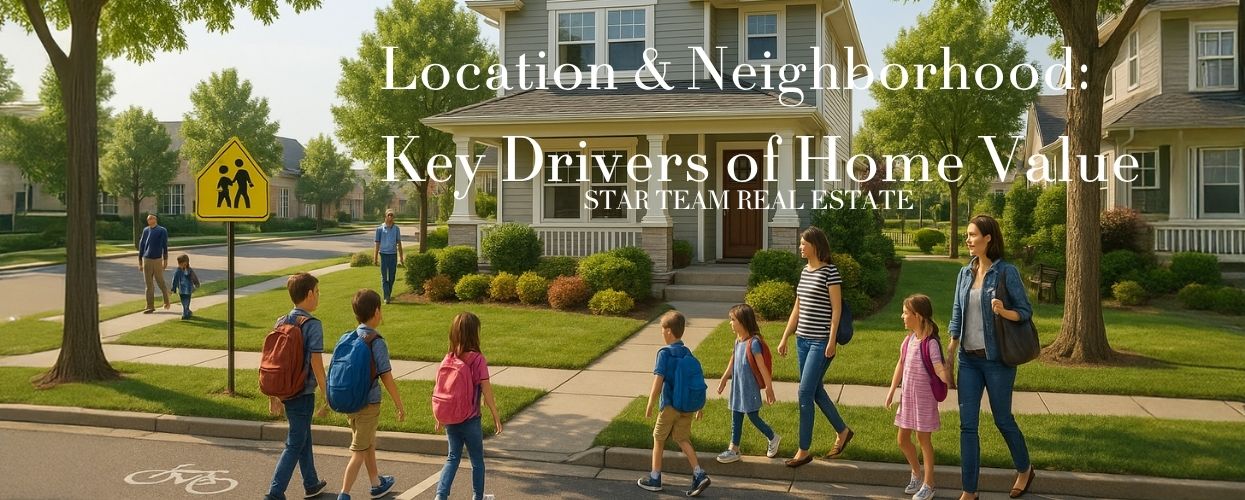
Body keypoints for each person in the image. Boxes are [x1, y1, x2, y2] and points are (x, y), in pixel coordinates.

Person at [947, 214, 1035, 500]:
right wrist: (950, 354)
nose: (968, 240)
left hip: (997, 361)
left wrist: (1003, 311)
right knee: (967, 425)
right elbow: (957, 314)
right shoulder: (965, 273)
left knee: (1002, 419)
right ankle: (969, 491)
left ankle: (1024, 468)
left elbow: (1025, 312)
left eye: (973, 235)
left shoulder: (1007, 272)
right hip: (968, 361)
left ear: (988, 238)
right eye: (967, 235)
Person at [775, 226, 854, 467]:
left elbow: (837, 310)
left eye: (803, 243)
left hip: (821, 342)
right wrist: (785, 336)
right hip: (802, 340)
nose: (800, 247)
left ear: (815, 246)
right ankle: (843, 431)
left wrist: (831, 341)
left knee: (804, 392)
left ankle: (803, 450)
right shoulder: (804, 272)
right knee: (814, 391)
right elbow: (797, 308)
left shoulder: (830, 272)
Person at [265, 273, 329, 500]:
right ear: (309, 294)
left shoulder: (281, 321)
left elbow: (272, 361)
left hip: (285, 390)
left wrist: (272, 396)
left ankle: (311, 482)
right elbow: (317, 364)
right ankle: (275, 492)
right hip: (302, 393)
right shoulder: (312, 324)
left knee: (303, 436)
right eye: (318, 292)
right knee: (295, 442)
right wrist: (326, 393)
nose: (319, 296)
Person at [336, 289, 403, 500]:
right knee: (358, 451)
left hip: (351, 402)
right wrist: (399, 404)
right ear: (376, 311)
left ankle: (376, 483)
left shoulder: (349, 337)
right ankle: (344, 494)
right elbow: (386, 376)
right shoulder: (376, 341)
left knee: (368, 444)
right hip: (369, 404)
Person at [637, 311, 711, 497]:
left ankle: (655, 478)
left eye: (662, 329)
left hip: (670, 405)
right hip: (687, 406)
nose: (661, 333)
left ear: (669, 331)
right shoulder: (687, 352)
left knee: (658, 439)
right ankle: (698, 474)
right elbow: (696, 380)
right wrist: (699, 406)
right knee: (682, 439)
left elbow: (658, 381)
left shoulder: (664, 354)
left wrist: (650, 403)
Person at [885, 294, 949, 500]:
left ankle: (929, 484)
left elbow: (939, 368)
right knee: (902, 439)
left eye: (905, 313)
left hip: (924, 400)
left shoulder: (930, 343)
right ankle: (916, 473)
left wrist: (947, 377)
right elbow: (901, 364)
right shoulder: (909, 340)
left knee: (923, 440)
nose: (902, 316)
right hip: (908, 398)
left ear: (918, 316)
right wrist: (892, 390)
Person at [434, 312, 501, 500]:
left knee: (452, 457)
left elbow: (440, 389)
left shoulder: (448, 358)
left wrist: (439, 417)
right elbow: (487, 391)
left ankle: (440, 495)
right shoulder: (478, 359)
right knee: (477, 461)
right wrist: (496, 415)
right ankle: (477, 497)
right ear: (474, 333)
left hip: (451, 419)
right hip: (471, 419)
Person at [715, 304, 780, 464]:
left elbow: (762, 367)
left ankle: (773, 437)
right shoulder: (738, 341)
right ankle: (734, 449)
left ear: (743, 322)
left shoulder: (754, 343)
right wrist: (724, 378)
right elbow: (733, 361)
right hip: (738, 386)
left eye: (732, 320)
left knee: (752, 416)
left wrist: (769, 388)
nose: (730, 323)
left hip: (749, 387)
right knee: (735, 415)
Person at [137, 214, 171, 314]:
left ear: (155, 219)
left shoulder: (162, 230)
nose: (149, 220)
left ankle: (166, 300)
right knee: (148, 284)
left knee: (160, 282)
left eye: (151, 218)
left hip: (157, 259)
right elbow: (142, 245)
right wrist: (140, 261)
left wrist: (165, 260)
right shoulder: (146, 230)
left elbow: (165, 246)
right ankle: (150, 306)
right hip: (146, 259)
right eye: (148, 219)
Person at [373, 209, 404, 304]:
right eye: (388, 215)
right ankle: (386, 296)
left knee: (392, 277)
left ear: (393, 217)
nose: (390, 217)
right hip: (383, 255)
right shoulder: (379, 229)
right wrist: (375, 258)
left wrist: (401, 257)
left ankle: (388, 294)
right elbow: (377, 244)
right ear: (385, 217)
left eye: (392, 215)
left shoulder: (396, 229)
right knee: (384, 277)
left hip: (393, 255)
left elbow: (399, 243)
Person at [169, 254, 201, 320]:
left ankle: (186, 312)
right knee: (184, 302)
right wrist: (173, 288)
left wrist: (196, 283)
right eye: (179, 263)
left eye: (182, 263)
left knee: (187, 301)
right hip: (181, 290)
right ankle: (186, 312)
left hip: (188, 289)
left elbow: (194, 277)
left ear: (186, 262)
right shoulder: (178, 271)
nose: (180, 265)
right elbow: (174, 280)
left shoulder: (189, 270)